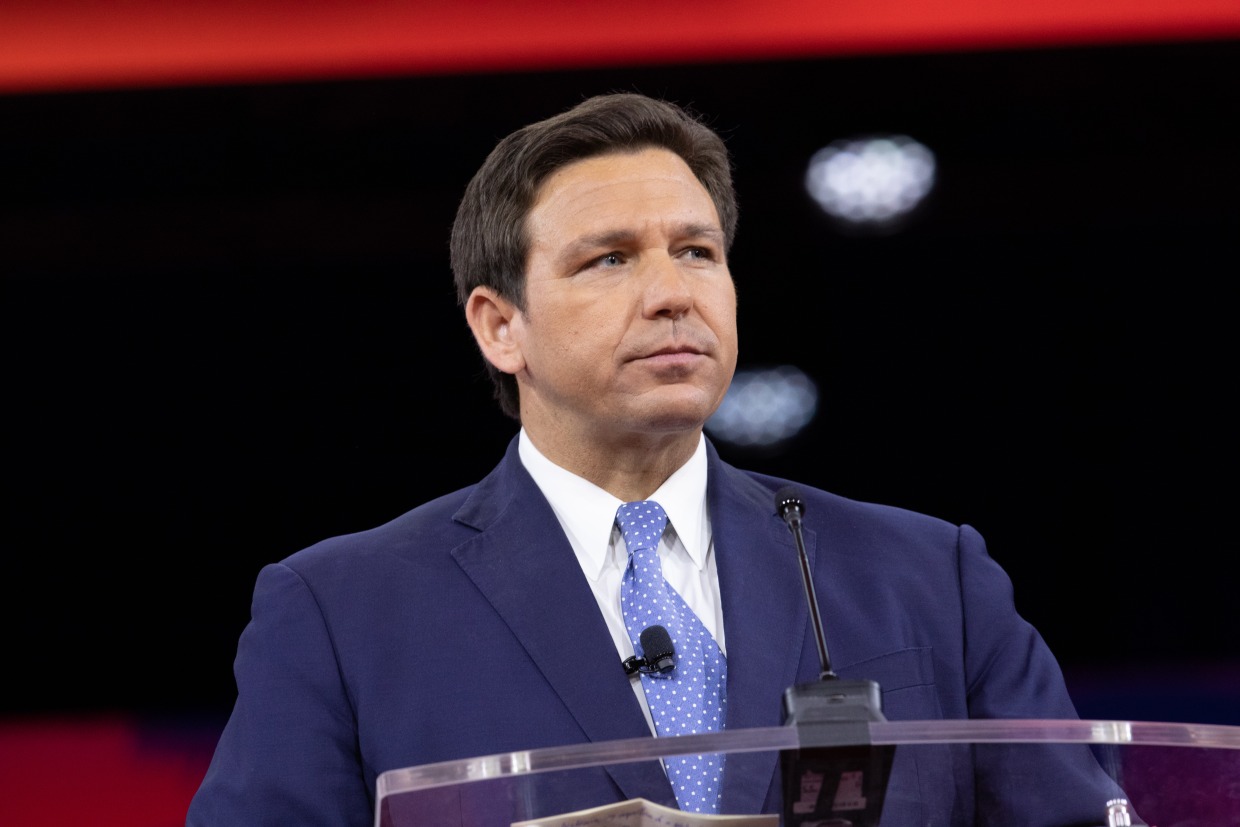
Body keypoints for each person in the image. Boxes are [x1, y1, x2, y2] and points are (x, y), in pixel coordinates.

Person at [187, 92, 1122, 826]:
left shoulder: (930, 579)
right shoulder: (344, 613)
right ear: (499, 325)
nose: (673, 292)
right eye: (611, 259)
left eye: (697, 250)